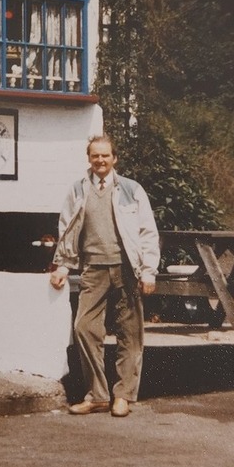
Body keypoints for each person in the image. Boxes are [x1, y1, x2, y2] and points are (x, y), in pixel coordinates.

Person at [50, 135, 160, 417]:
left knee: (129, 333)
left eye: (105, 156)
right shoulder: (78, 190)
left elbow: (147, 232)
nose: (100, 160)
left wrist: (148, 271)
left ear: (115, 158)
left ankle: (123, 395)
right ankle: (97, 395)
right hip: (93, 269)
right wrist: (63, 266)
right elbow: (67, 229)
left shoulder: (131, 189)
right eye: (95, 156)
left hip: (126, 268)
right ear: (89, 158)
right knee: (84, 328)